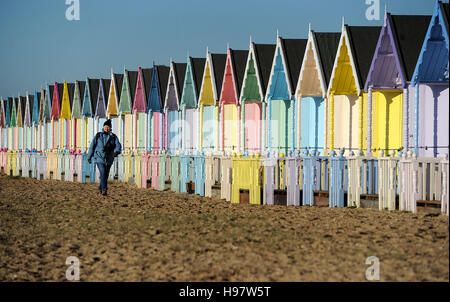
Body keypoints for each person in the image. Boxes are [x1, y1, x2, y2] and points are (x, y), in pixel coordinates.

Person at [87, 119, 122, 196]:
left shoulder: (113, 136)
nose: (106, 128)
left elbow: (118, 145)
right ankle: (104, 189)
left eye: (108, 127)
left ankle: (100, 189)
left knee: (105, 175)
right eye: (105, 127)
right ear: (103, 127)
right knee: (103, 173)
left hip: (109, 158)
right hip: (99, 158)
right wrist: (89, 157)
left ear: (110, 128)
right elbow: (92, 146)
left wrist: (117, 151)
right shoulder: (98, 135)